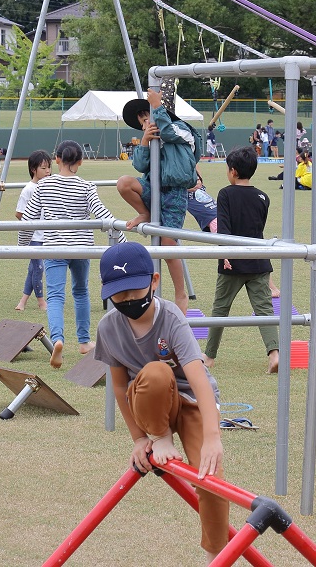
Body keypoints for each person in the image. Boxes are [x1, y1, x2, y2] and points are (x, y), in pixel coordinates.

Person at [94, 241, 228, 565]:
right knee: (154, 373)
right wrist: (143, 439)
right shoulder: (108, 328)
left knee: (213, 480)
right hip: (152, 403)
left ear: (154, 281)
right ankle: (161, 437)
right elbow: (118, 386)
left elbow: (199, 379)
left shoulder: (172, 319)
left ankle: (216, 556)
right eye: (118, 295)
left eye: (134, 292)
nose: (127, 301)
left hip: (191, 401)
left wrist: (212, 438)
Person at [19, 140, 126, 368]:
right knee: (80, 291)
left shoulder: (43, 186)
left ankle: (58, 340)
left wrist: (22, 245)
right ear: (80, 162)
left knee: (56, 297)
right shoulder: (86, 187)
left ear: (56, 159)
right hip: (80, 248)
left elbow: (27, 220)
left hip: (55, 247)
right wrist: (122, 238)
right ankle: (84, 341)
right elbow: (103, 214)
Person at [118, 86, 200, 314]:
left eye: (147, 116)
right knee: (124, 182)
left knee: (167, 245)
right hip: (154, 188)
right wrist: (144, 142)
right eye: (142, 120)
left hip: (174, 193)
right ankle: (144, 212)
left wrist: (156, 107)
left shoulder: (181, 130)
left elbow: (172, 133)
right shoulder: (150, 138)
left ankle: (180, 292)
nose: (146, 122)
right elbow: (140, 166)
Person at [203, 146, 280, 374]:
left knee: (220, 309)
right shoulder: (262, 197)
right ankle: (274, 354)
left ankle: (209, 356)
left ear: (233, 171)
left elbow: (224, 229)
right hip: (258, 260)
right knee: (264, 309)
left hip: (232, 261)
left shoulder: (225, 194)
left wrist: (225, 253)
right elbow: (258, 230)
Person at [14, 150, 51, 311]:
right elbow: (19, 213)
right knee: (39, 268)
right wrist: (32, 225)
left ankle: (23, 301)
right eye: (43, 168)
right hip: (34, 236)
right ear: (33, 169)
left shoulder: (49, 187)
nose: (48, 171)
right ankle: (41, 301)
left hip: (47, 236)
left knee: (34, 268)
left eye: (49, 167)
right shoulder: (28, 189)